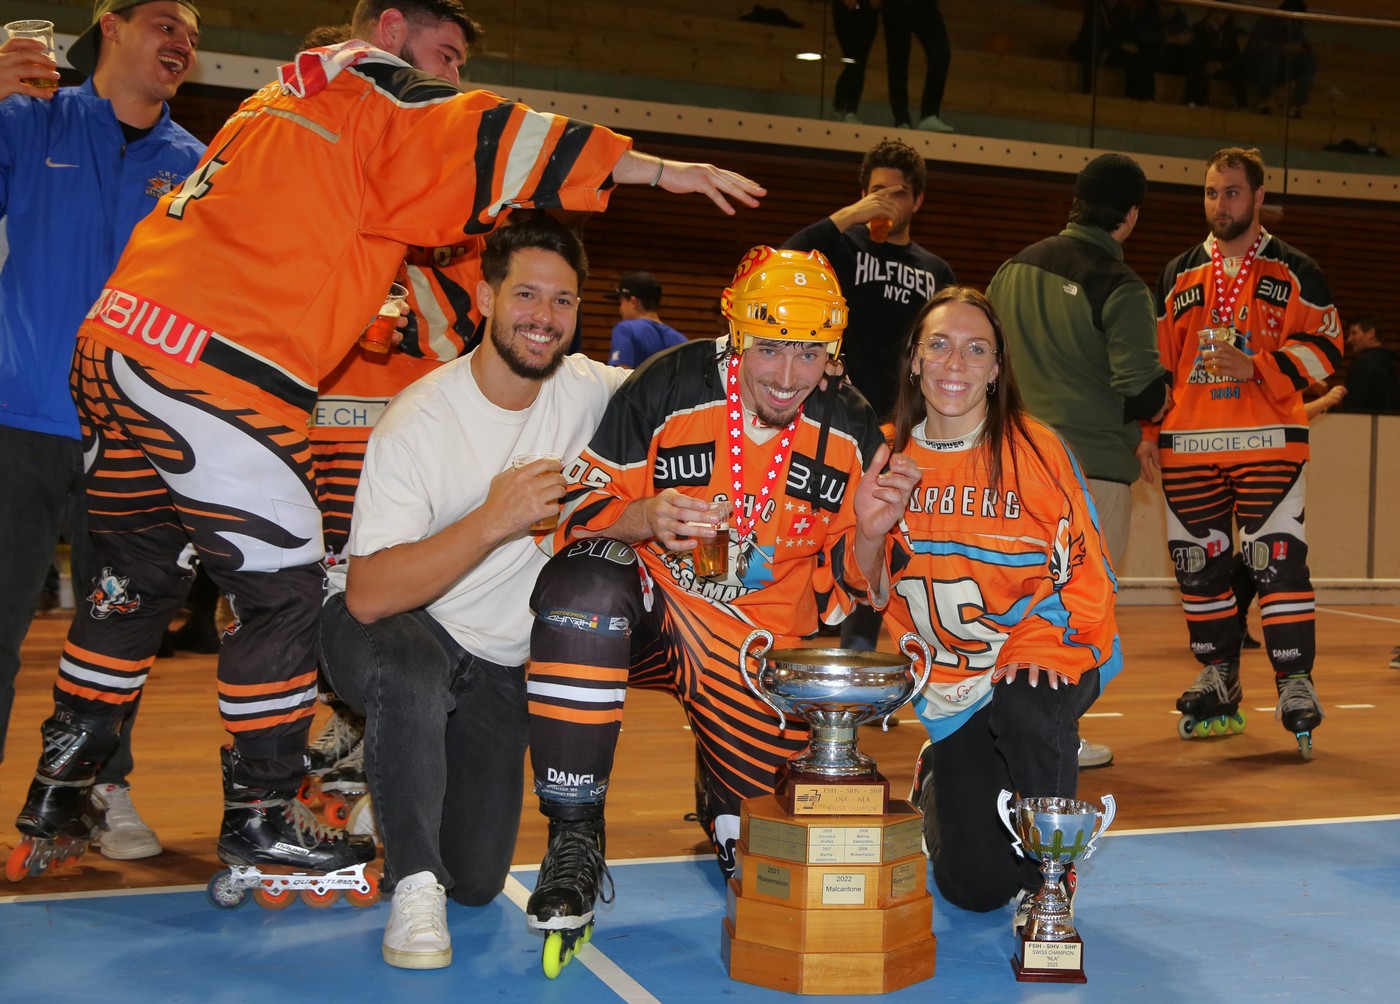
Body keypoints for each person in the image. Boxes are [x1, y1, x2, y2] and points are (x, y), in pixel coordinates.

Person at [10, 0, 764, 887]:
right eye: (443, 56)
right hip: (211, 365)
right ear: (393, 29)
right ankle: (262, 813)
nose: (449, 79)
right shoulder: (373, 86)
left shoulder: (281, 102)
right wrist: (658, 169)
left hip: (117, 341)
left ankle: (59, 788)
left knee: (129, 587)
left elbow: (423, 283)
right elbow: (489, 130)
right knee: (286, 597)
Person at [521, 246, 893, 974]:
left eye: (809, 353)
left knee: (770, 868)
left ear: (833, 353)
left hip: (757, 657)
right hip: (656, 615)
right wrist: (643, 516)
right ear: (737, 335)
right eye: (770, 348)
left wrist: (874, 533)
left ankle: (721, 782)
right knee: (583, 585)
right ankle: (574, 834)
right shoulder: (668, 384)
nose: (787, 376)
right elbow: (570, 514)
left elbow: (853, 586)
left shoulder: (850, 423)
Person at [319, 214, 627, 969]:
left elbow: (696, 385)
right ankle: (412, 883)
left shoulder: (591, 390)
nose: (543, 317)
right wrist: (493, 520)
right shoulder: (420, 419)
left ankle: (394, 789)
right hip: (391, 624)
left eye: (562, 300)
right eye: (526, 294)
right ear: (487, 297)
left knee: (480, 880)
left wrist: (799, 365)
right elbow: (368, 594)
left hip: (496, 660)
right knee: (408, 669)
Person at [0, 0, 204, 865]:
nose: (181, 41)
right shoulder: (29, 118)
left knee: (117, 627)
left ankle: (94, 786)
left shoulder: (196, 165)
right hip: (17, 419)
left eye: (191, 34)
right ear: (109, 26)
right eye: (165, 22)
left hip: (131, 433)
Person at [856, 285, 1119, 922]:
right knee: (974, 888)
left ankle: (1051, 882)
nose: (956, 363)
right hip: (950, 685)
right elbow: (860, 591)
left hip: (1040, 654)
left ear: (997, 369)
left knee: (1027, 702)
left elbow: (1088, 578)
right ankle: (939, 774)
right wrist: (869, 531)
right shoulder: (881, 453)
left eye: (977, 350)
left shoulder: (1037, 451)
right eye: (939, 345)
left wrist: (1044, 645)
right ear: (914, 359)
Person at [1150, 146, 1341, 758]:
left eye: (1231, 192)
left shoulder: (1297, 270)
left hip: (1269, 444)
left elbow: (1328, 349)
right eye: (1211, 192)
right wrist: (1149, 434)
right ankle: (1218, 676)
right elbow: (1158, 365)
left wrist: (1258, 364)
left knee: (1275, 563)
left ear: (1258, 197)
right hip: (1188, 446)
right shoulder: (1177, 273)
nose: (1220, 204)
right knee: (1199, 569)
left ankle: (1294, 681)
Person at [985, 152, 1164, 769]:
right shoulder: (1122, 285)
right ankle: (1054, 734)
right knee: (1077, 608)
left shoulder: (1011, 270)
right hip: (1090, 469)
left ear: (1077, 202)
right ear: (1130, 215)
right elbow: (1142, 389)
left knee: (1013, 598)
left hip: (1012, 461)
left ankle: (992, 729)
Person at [782, 138, 955, 653]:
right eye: (876, 191)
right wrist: (848, 218)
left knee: (880, 528)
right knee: (815, 522)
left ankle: (858, 653)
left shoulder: (935, 270)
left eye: (897, 193)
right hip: (837, 414)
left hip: (902, 419)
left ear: (917, 200)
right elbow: (786, 262)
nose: (886, 203)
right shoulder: (842, 247)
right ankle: (787, 629)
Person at [880, 0, 953, 131]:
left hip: (925, 5)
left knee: (941, 54)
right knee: (898, 60)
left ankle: (929, 114)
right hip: (895, 5)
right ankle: (902, 119)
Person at [1243, 0, 1316, 117]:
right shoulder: (1267, 23)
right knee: (1271, 57)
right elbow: (1256, 49)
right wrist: (1284, 49)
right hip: (1256, 67)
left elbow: (1306, 48)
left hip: (1280, 69)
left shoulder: (1295, 27)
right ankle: (1262, 103)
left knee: (1310, 60)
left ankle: (1295, 107)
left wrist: (1299, 50)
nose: (1293, 22)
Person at [607, 271, 688, 367]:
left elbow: (621, 373)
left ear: (633, 302)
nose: (620, 309)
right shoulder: (681, 340)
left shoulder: (626, 329)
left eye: (621, 302)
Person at [1182, 5, 1248, 109]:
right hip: (1203, 63)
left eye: (1223, 13)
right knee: (1198, 69)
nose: (1218, 16)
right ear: (1209, 12)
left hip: (1221, 66)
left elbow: (1234, 55)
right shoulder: (1199, 27)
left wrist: (1220, 65)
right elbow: (1196, 52)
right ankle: (1199, 104)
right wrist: (1212, 35)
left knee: (1238, 71)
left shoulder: (1229, 31)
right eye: (1216, 12)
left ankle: (1243, 107)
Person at [830, 0, 879, 123]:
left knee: (858, 61)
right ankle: (847, 108)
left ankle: (845, 107)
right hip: (847, 9)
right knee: (855, 61)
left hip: (868, 9)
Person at [1339, 317, 1400, 413]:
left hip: (1363, 422)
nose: (1349, 339)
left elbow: (1352, 407)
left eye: (1354, 333)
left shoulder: (1362, 362)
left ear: (1371, 333)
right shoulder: (1394, 363)